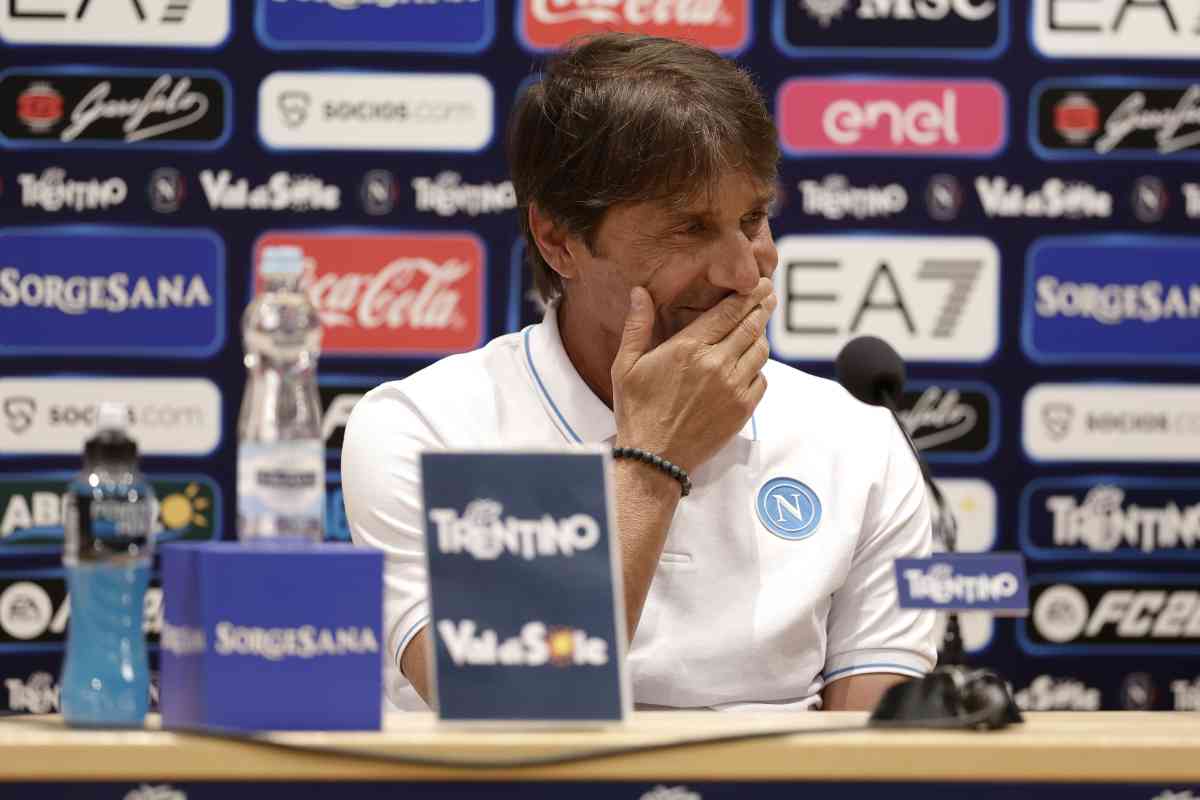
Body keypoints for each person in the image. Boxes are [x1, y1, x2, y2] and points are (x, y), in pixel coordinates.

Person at [342, 32, 937, 712]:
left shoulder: (858, 441)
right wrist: (653, 461)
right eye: (689, 229)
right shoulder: (423, 429)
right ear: (559, 239)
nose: (743, 274)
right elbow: (509, 706)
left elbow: (878, 750)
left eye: (752, 219)